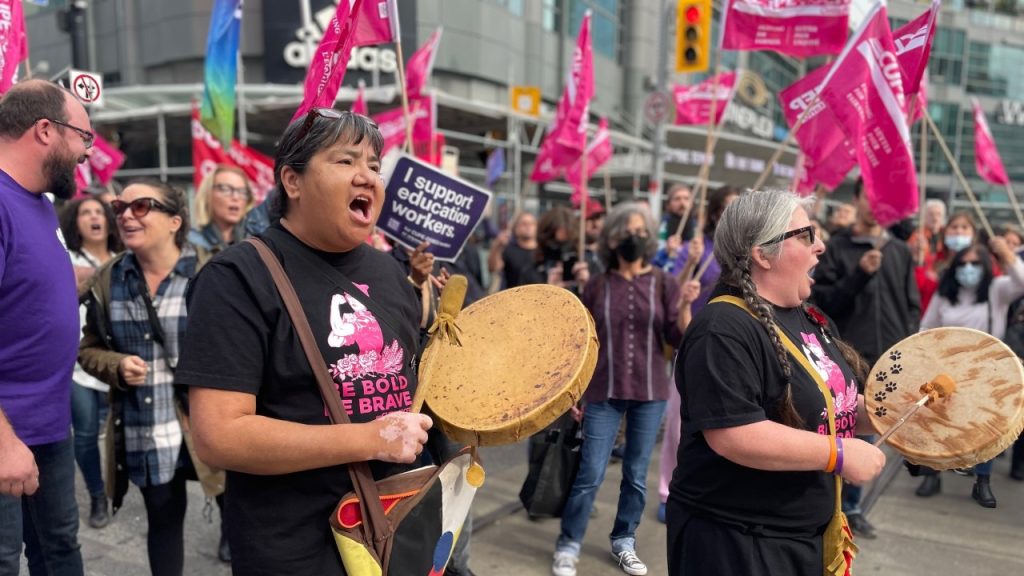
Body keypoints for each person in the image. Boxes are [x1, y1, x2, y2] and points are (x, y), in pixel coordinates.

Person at [177, 110, 436, 575]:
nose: (367, 176)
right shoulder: (237, 277)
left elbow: (415, 385)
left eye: (375, 166)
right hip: (294, 547)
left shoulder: (390, 273)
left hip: (400, 527)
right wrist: (369, 439)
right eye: (346, 161)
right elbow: (219, 436)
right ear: (292, 181)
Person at [667, 189, 886, 575]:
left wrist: (900, 414)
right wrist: (839, 454)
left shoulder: (811, 317)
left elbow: (835, 405)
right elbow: (734, 434)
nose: (821, 246)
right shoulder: (722, 328)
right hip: (737, 545)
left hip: (801, 538)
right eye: (806, 234)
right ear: (762, 254)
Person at [78, 180, 223, 575]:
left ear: (175, 221)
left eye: (140, 206)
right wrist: (116, 365)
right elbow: (87, 349)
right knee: (163, 523)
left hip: (213, 424)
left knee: (241, 518)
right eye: (120, 207)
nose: (125, 214)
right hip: (147, 428)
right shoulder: (108, 280)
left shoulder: (213, 271)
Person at [551, 203, 688, 576]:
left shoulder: (665, 283)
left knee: (636, 474)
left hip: (650, 391)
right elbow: (581, 343)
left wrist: (688, 304)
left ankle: (624, 540)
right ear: (611, 238)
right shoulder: (596, 285)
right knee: (590, 472)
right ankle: (569, 542)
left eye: (641, 231)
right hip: (602, 390)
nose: (634, 237)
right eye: (626, 231)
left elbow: (678, 337)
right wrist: (573, 392)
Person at [0, 79, 91, 576]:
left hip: (48, 424)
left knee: (59, 550)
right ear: (44, 131)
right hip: (5, 431)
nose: (85, 152)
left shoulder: (38, 201)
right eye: (83, 137)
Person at [811, 179, 919, 539]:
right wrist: (859, 274)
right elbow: (823, 304)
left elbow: (910, 306)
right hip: (846, 356)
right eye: (868, 197)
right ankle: (830, 501)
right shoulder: (837, 248)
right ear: (856, 200)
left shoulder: (900, 251)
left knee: (873, 431)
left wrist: (909, 349)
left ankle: (853, 506)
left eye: (881, 198)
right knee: (841, 427)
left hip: (890, 360)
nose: (874, 205)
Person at [912, 236, 1024, 507]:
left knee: (985, 425)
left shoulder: (996, 290)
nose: (969, 269)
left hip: (986, 369)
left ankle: (982, 480)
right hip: (946, 368)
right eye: (963, 264)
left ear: (986, 266)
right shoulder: (944, 293)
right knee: (940, 423)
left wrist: (1006, 254)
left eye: (975, 263)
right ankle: (933, 473)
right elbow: (926, 327)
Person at [59, 197, 122, 529]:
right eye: (86, 212)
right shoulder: (65, 259)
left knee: (117, 430)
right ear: (75, 222)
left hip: (114, 362)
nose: (94, 217)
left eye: (100, 212)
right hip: (77, 365)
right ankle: (97, 495)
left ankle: (119, 485)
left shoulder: (124, 259)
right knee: (84, 435)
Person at [188, 164, 254, 251]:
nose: (236, 197)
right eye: (225, 189)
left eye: (242, 191)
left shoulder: (256, 244)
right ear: (207, 194)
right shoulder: (190, 244)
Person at [488, 210, 537, 290]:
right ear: (516, 228)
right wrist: (497, 246)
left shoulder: (543, 251)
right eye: (524, 224)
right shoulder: (508, 250)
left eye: (531, 224)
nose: (528, 227)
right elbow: (493, 268)